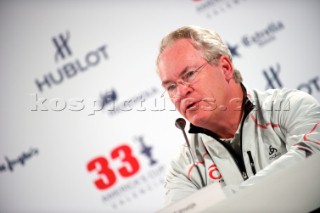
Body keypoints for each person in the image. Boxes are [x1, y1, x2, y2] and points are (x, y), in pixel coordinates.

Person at [156, 25, 320, 205]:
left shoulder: (292, 107)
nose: (181, 92)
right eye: (171, 86)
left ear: (225, 67)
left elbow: (312, 170)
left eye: (189, 74)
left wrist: (220, 203)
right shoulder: (182, 169)